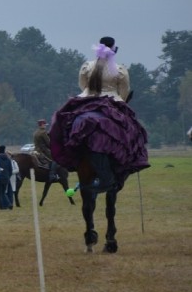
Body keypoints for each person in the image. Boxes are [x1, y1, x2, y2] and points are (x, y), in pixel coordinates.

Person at [50, 36, 149, 193]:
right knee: (132, 130)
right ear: (113, 48)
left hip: (86, 97)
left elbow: (82, 84)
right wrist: (121, 103)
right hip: (112, 98)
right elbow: (124, 91)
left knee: (63, 121)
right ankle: (128, 162)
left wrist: (89, 94)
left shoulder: (87, 67)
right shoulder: (119, 70)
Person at [0, 145, 14, 209]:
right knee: (3, 192)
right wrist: (8, 176)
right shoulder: (8, 159)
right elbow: (10, 169)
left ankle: (3, 206)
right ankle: (8, 204)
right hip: (6, 177)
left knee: (0, 193)